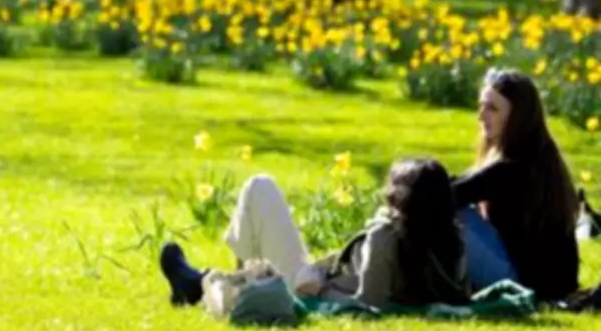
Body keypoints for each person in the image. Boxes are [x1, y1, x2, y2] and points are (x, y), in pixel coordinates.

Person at [160, 158, 469, 312]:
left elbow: (367, 308)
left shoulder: (385, 238)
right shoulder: (451, 240)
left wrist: (319, 289)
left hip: (312, 288)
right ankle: (221, 284)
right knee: (261, 193)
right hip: (325, 276)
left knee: (260, 186)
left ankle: (216, 289)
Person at [452, 69, 579, 302]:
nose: (481, 116)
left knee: (451, 214)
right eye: (481, 106)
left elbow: (448, 195)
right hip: (546, 284)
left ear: (517, 116)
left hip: (526, 286)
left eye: (492, 108)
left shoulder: (515, 167)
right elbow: (462, 185)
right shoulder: (537, 155)